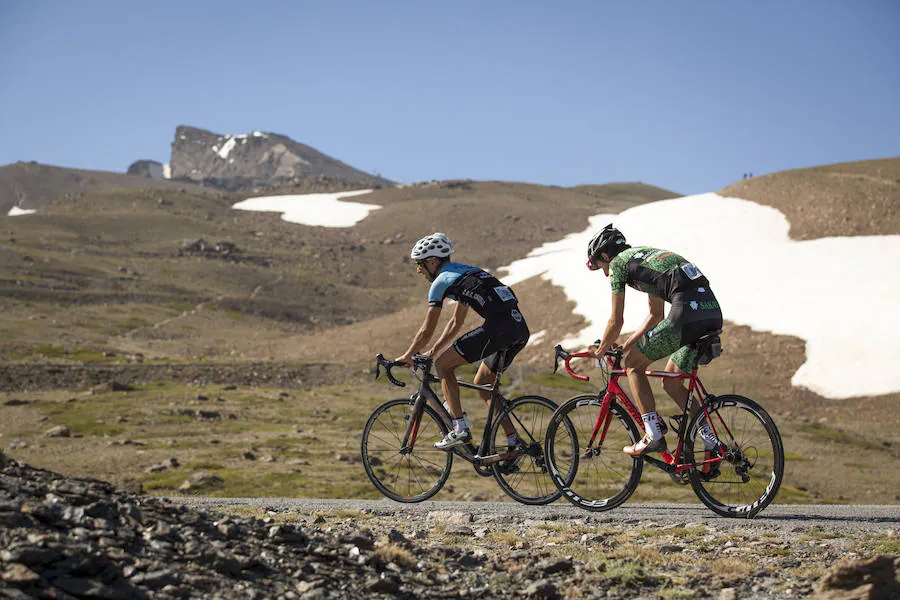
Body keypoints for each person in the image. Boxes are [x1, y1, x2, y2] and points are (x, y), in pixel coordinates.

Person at [584, 224, 723, 465]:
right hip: (710, 312)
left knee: (633, 367)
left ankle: (653, 433)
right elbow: (655, 315)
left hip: (686, 313)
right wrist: (625, 346)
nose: (605, 273)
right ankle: (712, 443)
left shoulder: (618, 264)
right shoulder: (646, 258)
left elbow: (616, 320)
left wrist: (600, 351)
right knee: (671, 381)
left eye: (600, 266)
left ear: (606, 256)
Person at [394, 233, 530, 450]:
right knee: (483, 384)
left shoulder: (441, 282)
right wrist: (432, 351)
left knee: (443, 366)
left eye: (420, 264)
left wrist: (408, 355)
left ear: (432, 261)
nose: (418, 270)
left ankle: (459, 428)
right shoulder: (466, 272)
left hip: (498, 328)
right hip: (519, 328)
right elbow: (456, 322)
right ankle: (514, 441)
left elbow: (427, 329)